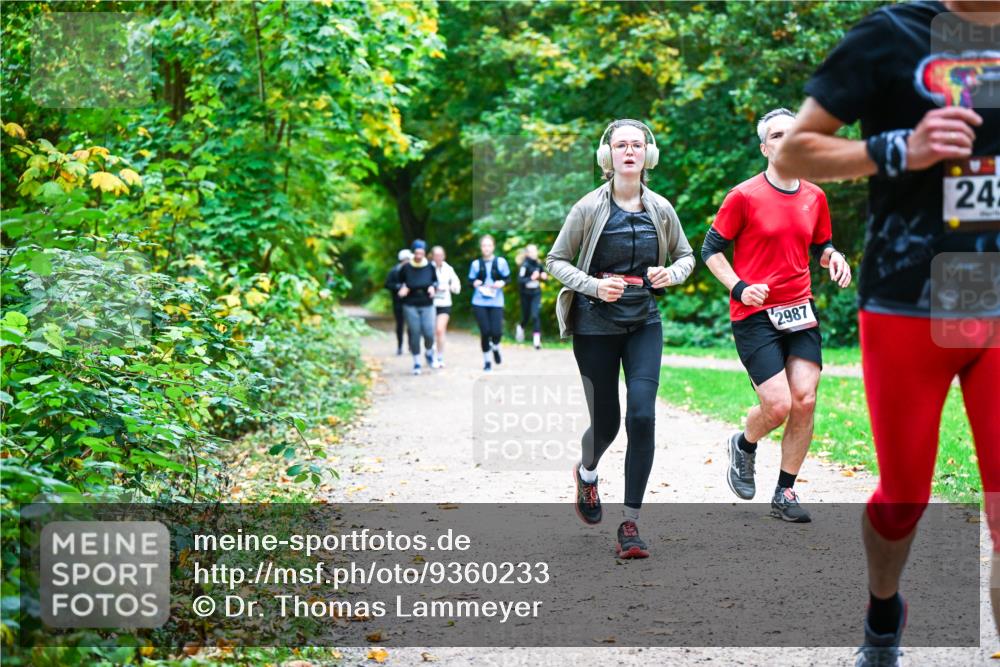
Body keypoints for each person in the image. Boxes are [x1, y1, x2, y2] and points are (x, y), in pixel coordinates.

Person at [774, 2, 1000, 664]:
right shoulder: (891, 31)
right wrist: (901, 146)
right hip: (911, 298)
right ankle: (882, 612)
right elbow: (796, 150)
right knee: (904, 496)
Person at [547, 118, 695, 559]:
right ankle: (588, 474)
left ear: (647, 156)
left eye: (636, 145)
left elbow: (687, 256)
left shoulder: (662, 209)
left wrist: (672, 274)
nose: (628, 151)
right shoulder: (588, 208)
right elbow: (557, 260)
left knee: (643, 417)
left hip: (644, 322)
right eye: (620, 145)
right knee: (608, 423)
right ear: (607, 156)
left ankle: (630, 523)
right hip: (595, 326)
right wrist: (593, 286)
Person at [702, 107, 852, 524]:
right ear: (765, 147)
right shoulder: (743, 196)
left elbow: (822, 243)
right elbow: (710, 250)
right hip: (754, 315)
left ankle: (785, 490)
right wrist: (740, 288)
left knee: (804, 400)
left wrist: (833, 256)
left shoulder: (814, 197)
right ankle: (744, 443)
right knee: (778, 405)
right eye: (779, 135)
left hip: (799, 310)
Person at [468, 234, 511, 371]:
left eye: (489, 245)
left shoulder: (501, 262)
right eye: (484, 245)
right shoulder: (475, 264)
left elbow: (508, 278)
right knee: (485, 332)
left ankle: (496, 347)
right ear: (481, 248)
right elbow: (470, 281)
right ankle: (487, 362)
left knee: (496, 332)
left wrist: (501, 283)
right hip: (479, 301)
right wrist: (474, 282)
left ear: (493, 247)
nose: (486, 248)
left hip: (496, 301)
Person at [397, 239, 438, 375]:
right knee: (414, 332)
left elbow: (435, 281)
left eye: (422, 253)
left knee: (429, 332)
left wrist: (433, 287)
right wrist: (401, 287)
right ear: (413, 253)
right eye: (417, 253)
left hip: (427, 303)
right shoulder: (406, 268)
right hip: (410, 304)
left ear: (425, 253)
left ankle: (428, 352)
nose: (419, 255)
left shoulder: (430, 267)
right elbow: (397, 282)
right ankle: (416, 362)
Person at [430, 245, 461, 369]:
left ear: (444, 256)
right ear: (432, 256)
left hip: (444, 303)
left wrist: (450, 287)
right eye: (436, 255)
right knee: (430, 332)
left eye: (441, 255)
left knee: (440, 330)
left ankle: (440, 356)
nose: (439, 258)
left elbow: (457, 287)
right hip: (430, 304)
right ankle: (430, 353)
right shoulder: (428, 268)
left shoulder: (449, 269)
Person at [516, 244, 548, 349]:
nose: (534, 253)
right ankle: (521, 327)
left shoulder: (538, 264)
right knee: (526, 316)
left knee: (535, 315)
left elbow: (544, 276)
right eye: (532, 251)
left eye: (535, 251)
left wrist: (544, 276)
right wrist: (531, 278)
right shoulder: (524, 266)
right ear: (527, 253)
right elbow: (520, 280)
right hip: (525, 294)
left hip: (536, 293)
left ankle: (536, 342)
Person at [384, 249, 412, 355]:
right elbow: (387, 284)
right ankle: (400, 346)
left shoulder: (412, 271)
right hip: (398, 302)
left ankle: (411, 346)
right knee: (400, 324)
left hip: (410, 302)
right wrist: (398, 287)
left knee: (411, 325)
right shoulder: (393, 271)